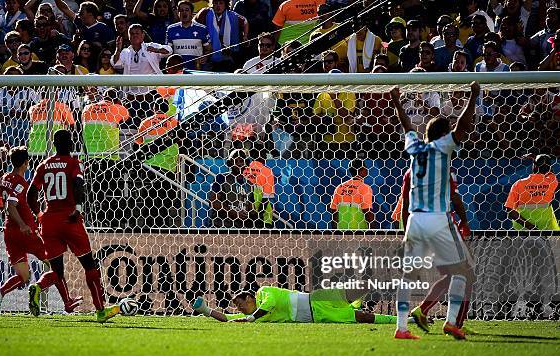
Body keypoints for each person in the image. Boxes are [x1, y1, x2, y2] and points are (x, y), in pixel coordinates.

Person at [389, 81, 480, 340]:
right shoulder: (443, 148)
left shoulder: (414, 149)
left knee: (407, 275)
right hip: (438, 218)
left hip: (415, 220)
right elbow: (463, 128)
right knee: (461, 273)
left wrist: (396, 100)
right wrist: (473, 96)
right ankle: (451, 322)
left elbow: (407, 126)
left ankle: (402, 328)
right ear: (444, 135)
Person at [26, 130, 121, 323]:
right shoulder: (73, 163)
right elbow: (79, 185)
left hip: (49, 222)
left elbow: (30, 194)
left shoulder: (43, 165)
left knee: (57, 271)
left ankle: (38, 286)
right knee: (89, 265)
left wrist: (39, 214)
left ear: (53, 144)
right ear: (70, 144)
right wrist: (77, 208)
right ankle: (100, 309)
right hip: (70, 219)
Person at [0, 146, 83, 315]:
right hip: (27, 233)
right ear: (26, 163)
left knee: (23, 276)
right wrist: (22, 224)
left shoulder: (4, 178)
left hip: (9, 234)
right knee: (55, 267)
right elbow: (11, 206)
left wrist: (7, 208)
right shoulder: (21, 183)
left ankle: (0, 292)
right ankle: (61, 299)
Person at [192, 287, 423, 324]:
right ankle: (410, 320)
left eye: (241, 305)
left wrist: (251, 317)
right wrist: (205, 310)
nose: (240, 309)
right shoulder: (259, 318)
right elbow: (228, 319)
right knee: (363, 318)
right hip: (316, 317)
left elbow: (271, 303)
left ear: (249, 298)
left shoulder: (263, 293)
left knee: (357, 288)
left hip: (316, 298)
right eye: (238, 308)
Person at [505, 154, 559, 230]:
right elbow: (551, 173)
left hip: (523, 230)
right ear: (549, 168)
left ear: (534, 166)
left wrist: (530, 226)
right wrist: (536, 159)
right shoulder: (552, 182)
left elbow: (509, 210)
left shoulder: (518, 184)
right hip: (547, 229)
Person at [209, 149, 260, 228]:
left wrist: (251, 211)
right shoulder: (221, 178)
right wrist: (232, 212)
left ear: (246, 163)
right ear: (230, 163)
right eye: (236, 161)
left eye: (241, 161)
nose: (239, 164)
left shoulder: (250, 182)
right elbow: (213, 202)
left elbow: (250, 204)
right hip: (224, 222)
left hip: (244, 223)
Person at [195, 0, 248, 72]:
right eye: (216, 3)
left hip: (226, 55)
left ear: (225, 4)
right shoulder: (205, 12)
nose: (218, 6)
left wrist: (245, 36)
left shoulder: (232, 15)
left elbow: (245, 22)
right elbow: (194, 24)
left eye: (221, 3)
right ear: (212, 4)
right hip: (207, 55)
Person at [82, 88, 130, 160]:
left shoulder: (87, 108)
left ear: (102, 97)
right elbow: (127, 117)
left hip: (89, 154)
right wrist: (119, 104)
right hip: (109, 155)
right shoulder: (117, 109)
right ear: (117, 100)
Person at [166, 0, 211, 70]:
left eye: (187, 10)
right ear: (178, 13)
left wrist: (205, 57)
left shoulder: (202, 29)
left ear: (192, 13)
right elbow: (167, 51)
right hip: (178, 71)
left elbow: (209, 49)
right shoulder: (171, 29)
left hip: (196, 71)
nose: (184, 12)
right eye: (181, 10)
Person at [330, 159, 374, 230]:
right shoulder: (365, 188)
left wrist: (335, 231)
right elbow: (368, 212)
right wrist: (373, 231)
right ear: (361, 170)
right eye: (365, 167)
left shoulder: (339, 187)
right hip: (359, 231)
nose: (367, 169)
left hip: (342, 230)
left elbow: (333, 211)